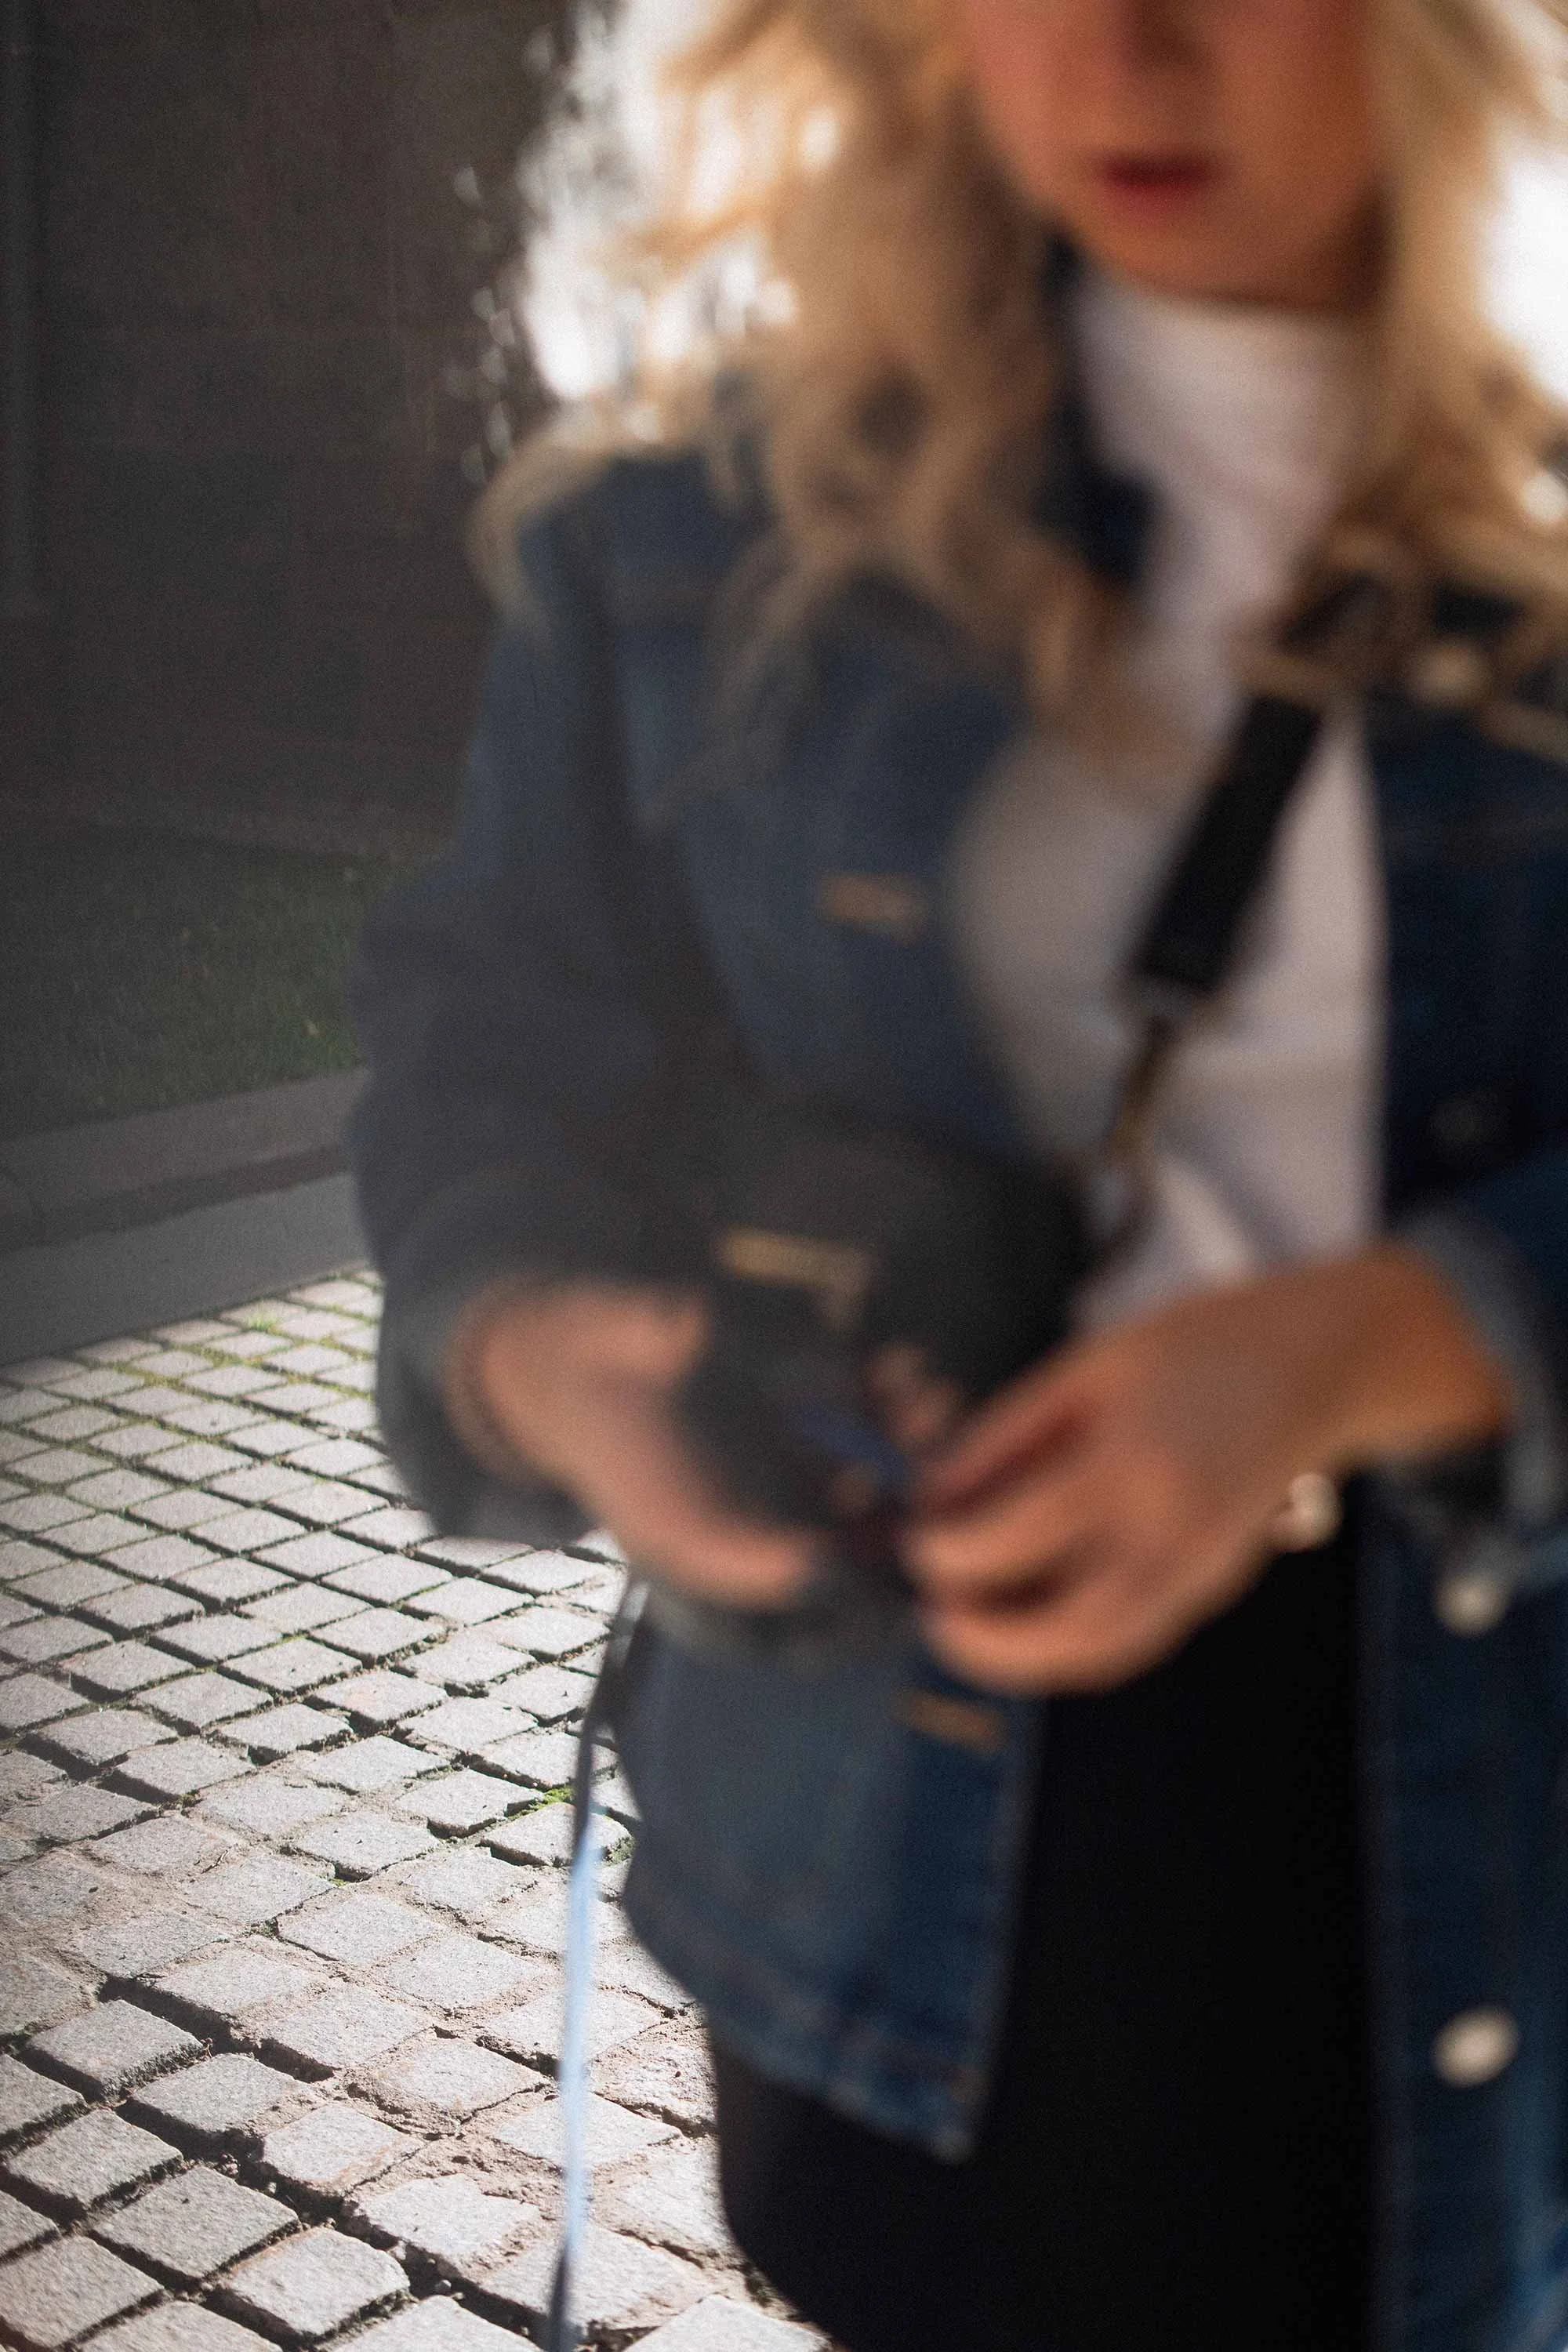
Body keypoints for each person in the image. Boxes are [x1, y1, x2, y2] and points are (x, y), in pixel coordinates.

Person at [349, 1, 1568, 2345]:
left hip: (1472, 1818)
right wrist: (546, 1353)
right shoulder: (690, 525)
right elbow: (486, 1038)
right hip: (883, 1841)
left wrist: (1368, 1346)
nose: (1133, 48)